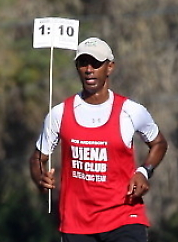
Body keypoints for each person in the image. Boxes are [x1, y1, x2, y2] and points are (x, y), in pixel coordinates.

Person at [29, 37, 168, 242]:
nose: (89, 70)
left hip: (123, 217)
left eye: (95, 64)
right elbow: (37, 158)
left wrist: (144, 172)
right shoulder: (59, 113)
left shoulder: (131, 111)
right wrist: (40, 178)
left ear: (109, 67)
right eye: (83, 63)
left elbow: (159, 143)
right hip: (77, 223)